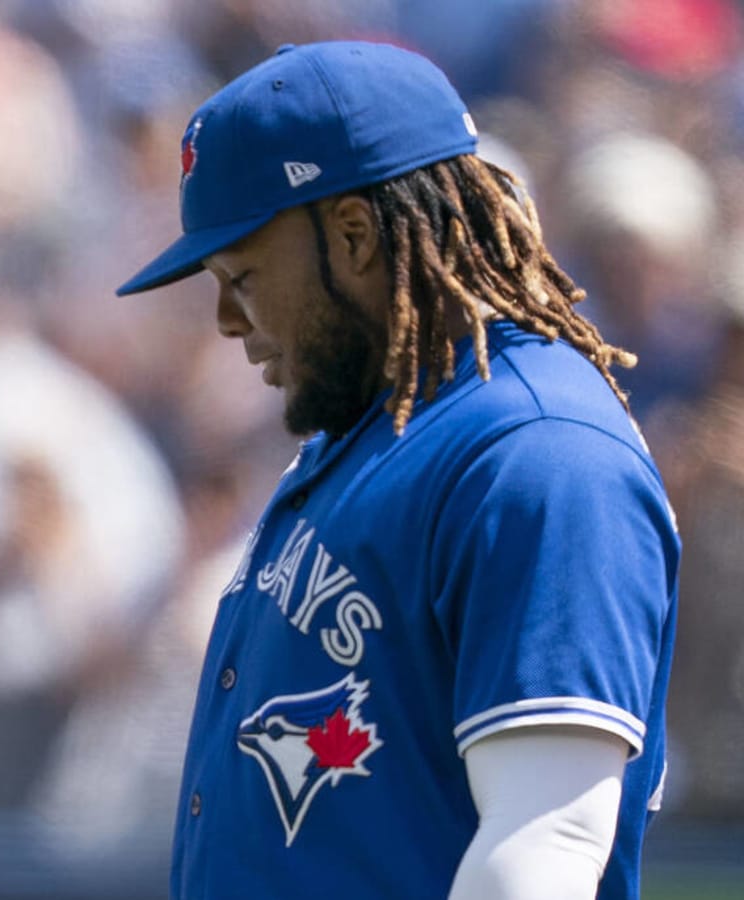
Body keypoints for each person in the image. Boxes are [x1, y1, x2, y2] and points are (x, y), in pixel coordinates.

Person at [117, 41, 677, 899]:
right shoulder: (381, 429)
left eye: (243, 275)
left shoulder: (539, 454)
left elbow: (547, 843)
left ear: (350, 236)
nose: (227, 319)